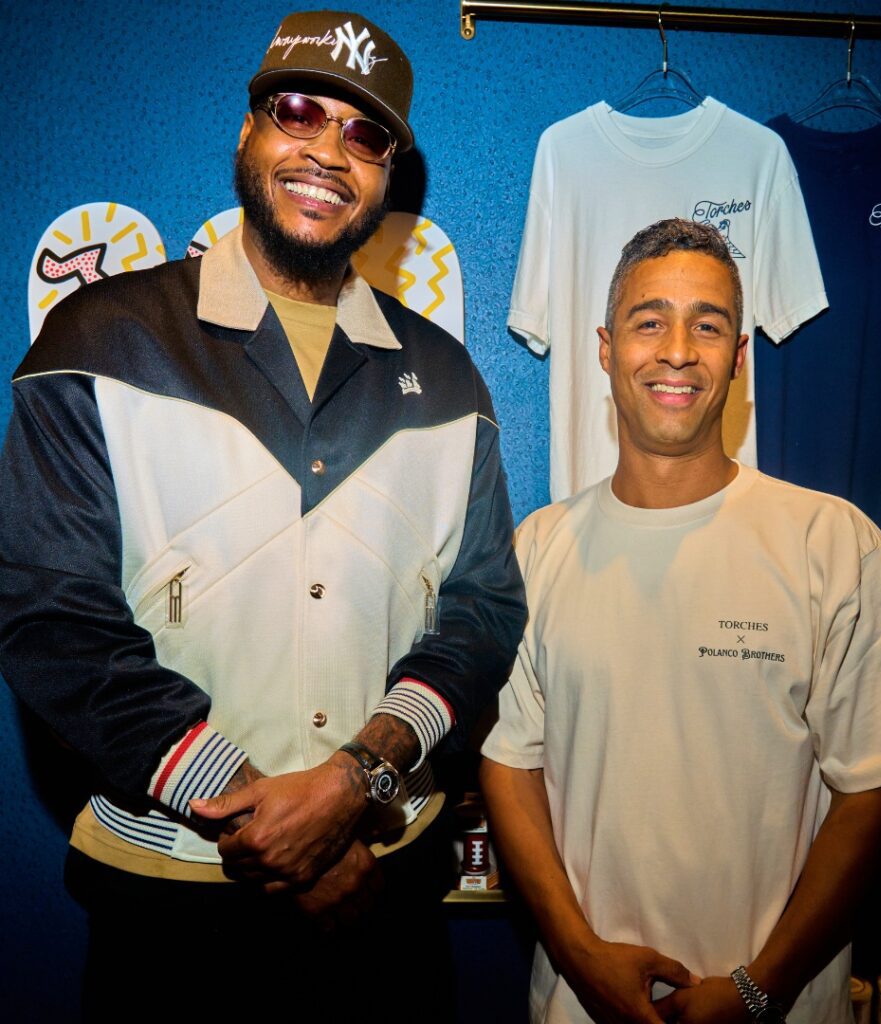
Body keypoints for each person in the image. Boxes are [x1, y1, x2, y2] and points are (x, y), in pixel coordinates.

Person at [0, 10, 525, 1020]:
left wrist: (355, 780)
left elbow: (484, 611)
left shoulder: (450, 378)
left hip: (387, 891)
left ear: (388, 173)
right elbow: (51, 620)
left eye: (364, 134)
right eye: (298, 111)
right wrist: (268, 822)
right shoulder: (97, 336)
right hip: (171, 912)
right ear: (248, 132)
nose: (327, 150)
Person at [479, 218, 881, 1024]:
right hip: (581, 1003)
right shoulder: (536, 550)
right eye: (650, 321)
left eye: (708, 325)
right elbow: (510, 766)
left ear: (739, 358)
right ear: (606, 349)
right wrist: (582, 959)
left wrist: (759, 989)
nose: (678, 349)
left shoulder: (831, 542)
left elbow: (873, 791)